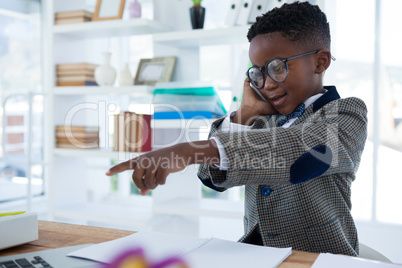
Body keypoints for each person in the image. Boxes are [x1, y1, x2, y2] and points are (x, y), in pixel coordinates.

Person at [106, 1, 367, 257]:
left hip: (320, 258)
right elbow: (210, 178)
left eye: (277, 68)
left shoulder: (346, 113)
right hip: (255, 255)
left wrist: (190, 150)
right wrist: (245, 115)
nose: (266, 84)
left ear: (320, 62)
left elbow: (301, 151)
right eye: (258, 72)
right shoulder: (261, 120)